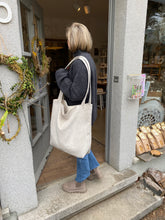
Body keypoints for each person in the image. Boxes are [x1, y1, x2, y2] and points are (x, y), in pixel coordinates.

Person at [55, 22, 102, 193]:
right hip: (87, 112)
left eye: (68, 39)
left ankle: (80, 183)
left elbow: (75, 93)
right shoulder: (87, 59)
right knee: (83, 143)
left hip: (79, 113)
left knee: (78, 146)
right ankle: (94, 169)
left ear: (74, 40)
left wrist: (60, 75)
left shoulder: (79, 63)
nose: (67, 42)